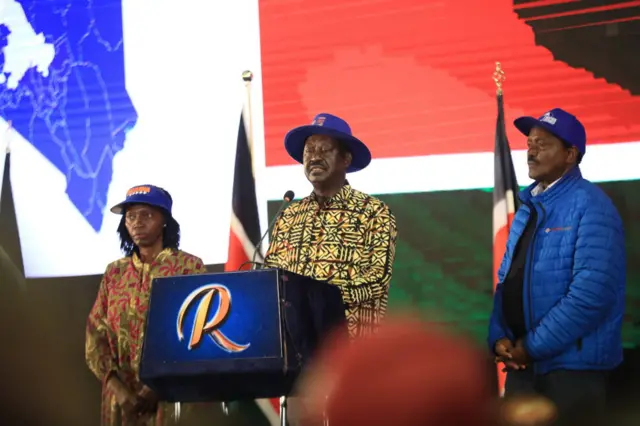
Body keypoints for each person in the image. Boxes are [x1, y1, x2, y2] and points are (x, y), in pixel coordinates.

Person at [488, 108, 626, 423]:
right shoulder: (527, 209)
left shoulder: (592, 206)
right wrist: (500, 338)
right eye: (530, 143)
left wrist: (532, 346)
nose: (531, 150)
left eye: (543, 143)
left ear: (570, 154)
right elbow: (506, 280)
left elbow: (591, 294)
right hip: (523, 369)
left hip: (572, 373)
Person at [264, 113, 397, 337]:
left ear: (346, 159)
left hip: (350, 347)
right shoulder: (288, 216)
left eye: (324, 150)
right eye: (309, 151)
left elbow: (377, 280)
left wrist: (319, 299)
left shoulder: (374, 212)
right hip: (295, 348)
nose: (314, 157)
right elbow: (272, 277)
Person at [85, 185, 207, 426]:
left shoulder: (188, 268)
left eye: (146, 215)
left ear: (164, 221)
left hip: (172, 399)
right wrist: (119, 391)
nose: (137, 222)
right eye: (130, 216)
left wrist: (157, 387)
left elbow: (200, 333)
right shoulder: (114, 273)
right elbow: (94, 335)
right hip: (122, 403)